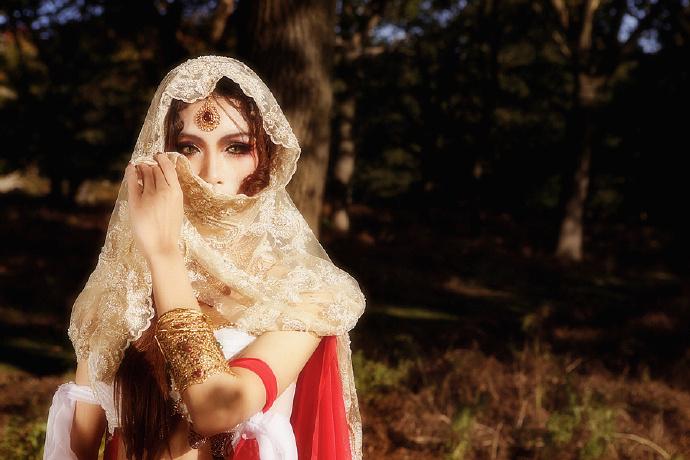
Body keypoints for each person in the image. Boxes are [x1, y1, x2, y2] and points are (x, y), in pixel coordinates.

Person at [43, 55, 366, 460]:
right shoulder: (123, 285)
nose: (211, 172)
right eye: (189, 147)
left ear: (268, 158)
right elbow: (79, 446)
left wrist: (165, 256)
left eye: (237, 147)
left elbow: (218, 408)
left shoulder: (303, 292)